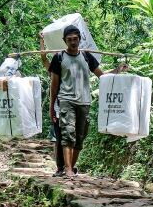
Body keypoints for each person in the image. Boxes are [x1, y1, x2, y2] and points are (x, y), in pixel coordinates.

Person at [48, 25, 127, 178]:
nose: (72, 42)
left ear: (80, 39)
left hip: (84, 102)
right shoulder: (59, 58)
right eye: (69, 39)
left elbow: (102, 76)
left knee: (79, 137)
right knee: (67, 134)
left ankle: (70, 166)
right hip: (66, 100)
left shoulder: (86, 56)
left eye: (75, 39)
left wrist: (118, 69)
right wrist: (52, 107)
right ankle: (68, 169)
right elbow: (54, 85)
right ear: (64, 41)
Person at [39, 33, 64, 176]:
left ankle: (66, 166)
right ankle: (60, 166)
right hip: (57, 107)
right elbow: (44, 58)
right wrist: (42, 40)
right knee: (57, 138)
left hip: (70, 105)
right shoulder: (53, 71)